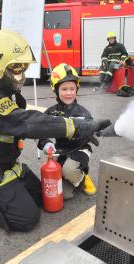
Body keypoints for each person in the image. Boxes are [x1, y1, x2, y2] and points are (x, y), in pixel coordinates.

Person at [0, 30, 111, 232]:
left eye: (23, 67)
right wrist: (76, 127)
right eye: (16, 68)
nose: (21, 74)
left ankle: (3, 192)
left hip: (7, 164)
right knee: (27, 220)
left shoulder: (1, 91)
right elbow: (27, 122)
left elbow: (30, 120)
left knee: (42, 198)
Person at [37, 63, 97, 200]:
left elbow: (91, 131)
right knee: (65, 195)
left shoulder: (83, 112)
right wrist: (45, 144)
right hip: (60, 150)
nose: (69, 93)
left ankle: (82, 177)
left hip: (80, 150)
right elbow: (39, 132)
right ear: (55, 89)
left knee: (68, 170)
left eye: (72, 88)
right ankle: (69, 175)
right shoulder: (51, 112)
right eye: (64, 89)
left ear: (77, 89)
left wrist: (90, 132)